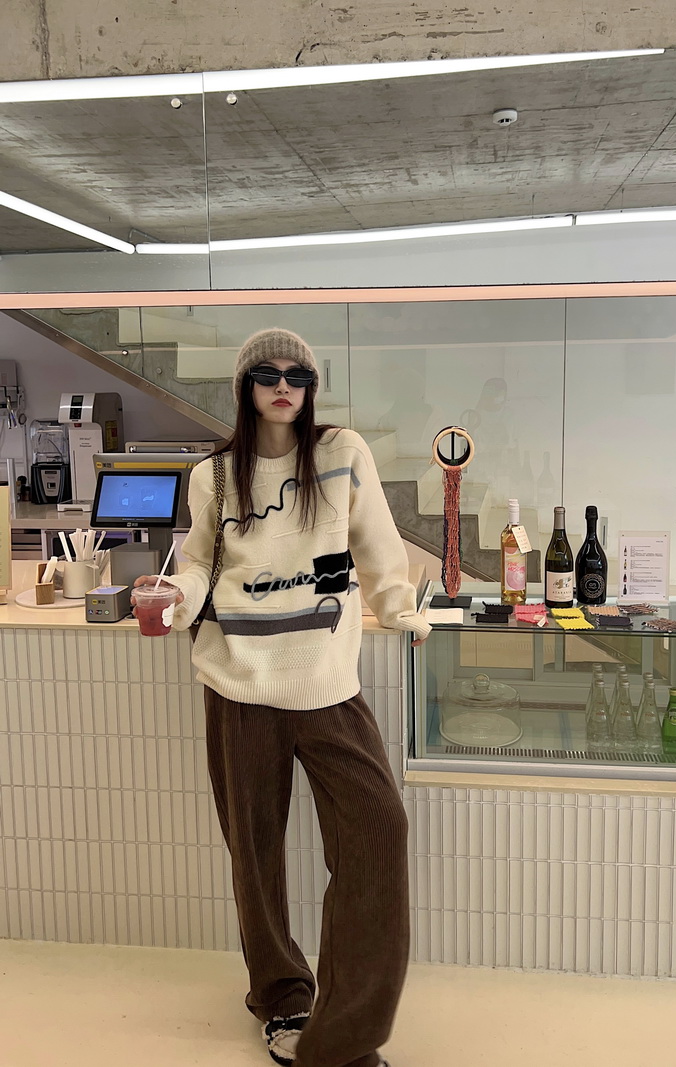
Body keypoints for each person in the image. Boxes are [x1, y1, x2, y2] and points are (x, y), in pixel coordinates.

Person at [133, 328, 431, 1067]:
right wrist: (174, 595)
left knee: (378, 830)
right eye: (267, 373)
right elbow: (199, 563)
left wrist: (401, 610)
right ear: (245, 385)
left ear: (312, 387)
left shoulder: (342, 453)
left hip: (326, 683)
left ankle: (345, 1034)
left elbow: (379, 549)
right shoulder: (215, 475)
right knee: (255, 855)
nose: (283, 385)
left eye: (298, 374)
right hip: (238, 683)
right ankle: (282, 998)